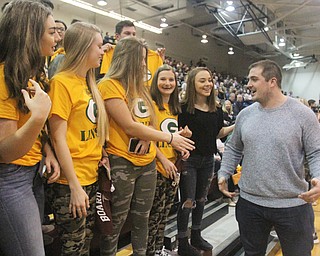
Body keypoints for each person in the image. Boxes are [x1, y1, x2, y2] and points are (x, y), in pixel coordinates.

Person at [98, 37, 195, 256]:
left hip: (147, 163)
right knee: (118, 221)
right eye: (141, 59)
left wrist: (147, 136)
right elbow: (129, 126)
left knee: (143, 217)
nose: (144, 64)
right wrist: (169, 138)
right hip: (122, 161)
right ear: (128, 58)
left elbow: (151, 118)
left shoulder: (140, 87)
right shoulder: (108, 85)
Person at [218, 59, 320, 256]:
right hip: (250, 204)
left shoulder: (303, 114)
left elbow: (316, 151)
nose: (248, 84)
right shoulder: (245, 115)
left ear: (272, 81)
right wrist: (224, 172)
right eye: (249, 79)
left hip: (293, 204)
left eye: (254, 79)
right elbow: (233, 147)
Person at [0, 1, 60, 255]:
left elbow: (32, 127)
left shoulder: (34, 74)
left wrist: (47, 149)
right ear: (29, 34)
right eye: (51, 31)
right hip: (11, 179)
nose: (57, 37)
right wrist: (38, 118)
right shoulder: (4, 77)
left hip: (34, 173)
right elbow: (4, 152)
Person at [48, 22, 108, 255]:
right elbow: (58, 138)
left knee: (85, 243)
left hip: (91, 176)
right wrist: (73, 184)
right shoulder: (61, 83)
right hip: (70, 182)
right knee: (72, 247)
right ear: (84, 47)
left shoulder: (88, 83)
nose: (103, 51)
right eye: (99, 46)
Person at [177, 67, 234, 256]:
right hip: (189, 160)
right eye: (202, 81)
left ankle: (196, 235)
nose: (208, 84)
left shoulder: (216, 109)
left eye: (209, 80)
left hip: (208, 159)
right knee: (187, 201)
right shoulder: (183, 108)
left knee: (201, 200)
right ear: (192, 83)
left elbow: (218, 133)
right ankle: (183, 241)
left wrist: (236, 124)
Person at [146, 64, 191, 256]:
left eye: (171, 79)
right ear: (155, 82)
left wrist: (182, 147)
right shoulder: (150, 106)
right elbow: (147, 138)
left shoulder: (176, 109)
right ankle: (150, 251)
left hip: (173, 169)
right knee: (153, 216)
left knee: (164, 214)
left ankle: (158, 250)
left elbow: (172, 138)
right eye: (163, 79)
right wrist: (163, 160)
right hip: (155, 167)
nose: (167, 83)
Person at [98, 20, 165, 86]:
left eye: (134, 34)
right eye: (127, 33)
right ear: (117, 36)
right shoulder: (108, 52)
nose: (132, 37)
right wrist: (100, 54)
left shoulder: (150, 55)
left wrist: (160, 60)